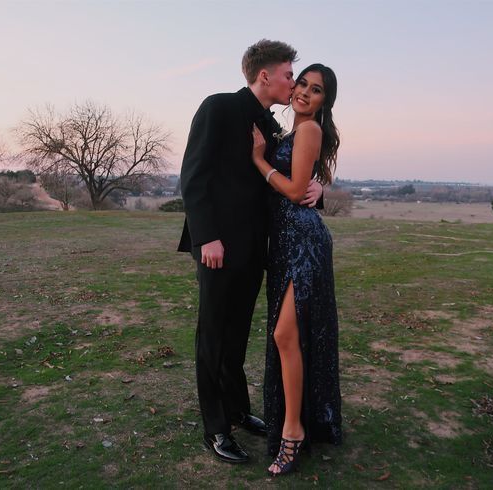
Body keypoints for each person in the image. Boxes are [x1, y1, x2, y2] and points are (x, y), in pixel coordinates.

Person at [177, 40, 324, 464]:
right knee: (213, 336)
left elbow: (285, 180)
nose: (293, 82)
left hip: (255, 251)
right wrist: (207, 237)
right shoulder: (218, 107)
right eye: (287, 74)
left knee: (238, 334)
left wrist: (317, 190)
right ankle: (216, 428)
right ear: (264, 76)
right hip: (216, 248)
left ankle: (239, 410)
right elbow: (194, 176)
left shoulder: (272, 124)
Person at [251, 63, 342, 476]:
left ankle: (293, 429)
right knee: (293, 335)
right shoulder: (290, 132)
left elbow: (291, 189)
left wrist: (258, 160)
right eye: (301, 83)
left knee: (286, 333)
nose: (304, 92)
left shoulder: (309, 131)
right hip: (284, 242)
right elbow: (301, 185)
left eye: (316, 89)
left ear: (325, 101)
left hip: (303, 241)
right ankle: (299, 420)